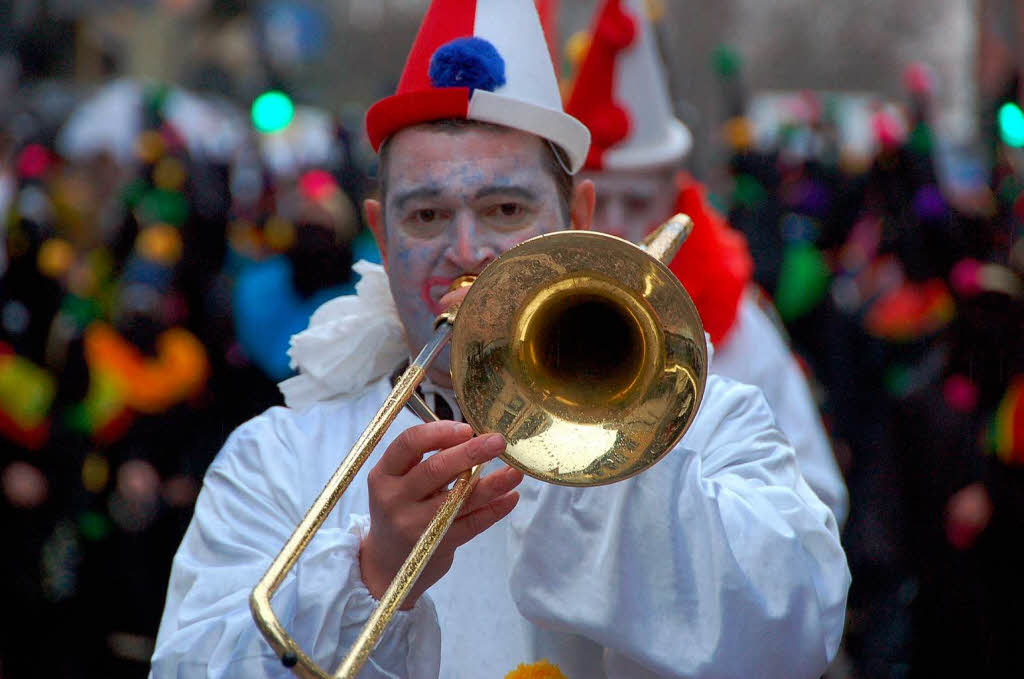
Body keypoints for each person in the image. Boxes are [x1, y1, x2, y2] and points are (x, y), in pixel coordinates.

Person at [151, 1, 849, 677]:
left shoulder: (708, 423)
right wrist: (371, 569)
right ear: (382, 237)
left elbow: (796, 632)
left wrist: (603, 448)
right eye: (425, 215)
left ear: (578, 216)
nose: (466, 249)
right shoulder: (273, 457)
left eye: (505, 208)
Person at [563, 0, 848, 525]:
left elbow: (816, 504)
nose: (620, 225)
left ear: (675, 196)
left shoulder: (742, 326)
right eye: (601, 201)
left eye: (638, 201)